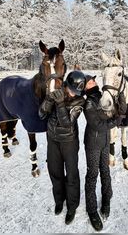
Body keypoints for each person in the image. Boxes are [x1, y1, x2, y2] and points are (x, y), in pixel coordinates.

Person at [39, 70, 86, 225]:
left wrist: (59, 104)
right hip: (53, 140)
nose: (74, 94)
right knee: (55, 172)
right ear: (66, 85)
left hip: (69, 142)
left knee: (71, 174)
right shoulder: (57, 93)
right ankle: (59, 200)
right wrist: (48, 99)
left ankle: (72, 206)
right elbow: (41, 114)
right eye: (72, 90)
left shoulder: (80, 101)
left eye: (76, 92)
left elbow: (67, 123)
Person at [83, 74, 122, 231]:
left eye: (93, 80)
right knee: (93, 175)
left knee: (105, 172)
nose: (94, 82)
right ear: (85, 87)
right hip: (93, 144)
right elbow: (97, 124)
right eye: (90, 81)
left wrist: (120, 107)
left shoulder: (102, 96)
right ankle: (92, 210)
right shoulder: (88, 103)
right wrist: (115, 121)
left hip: (105, 142)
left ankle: (107, 199)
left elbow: (112, 109)